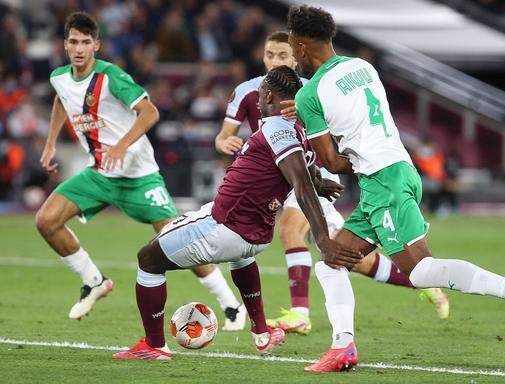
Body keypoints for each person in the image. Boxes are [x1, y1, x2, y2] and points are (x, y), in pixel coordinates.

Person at [287, 5, 505, 372]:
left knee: (422, 272)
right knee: (332, 262)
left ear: (301, 45)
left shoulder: (309, 95)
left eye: (289, 41)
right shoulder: (363, 67)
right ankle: (343, 347)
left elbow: (332, 163)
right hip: (395, 171)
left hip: (383, 180)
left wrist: (320, 142)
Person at [113, 65, 359, 360]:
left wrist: (323, 239)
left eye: (260, 91)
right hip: (254, 234)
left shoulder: (276, 129)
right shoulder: (297, 130)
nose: (256, 96)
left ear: (267, 94)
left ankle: (153, 346)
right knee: (240, 256)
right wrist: (320, 183)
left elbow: (301, 184)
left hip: (224, 226)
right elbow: (303, 172)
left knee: (148, 259)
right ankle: (262, 333)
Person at [215, 31, 449, 335]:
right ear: (262, 56)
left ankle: (300, 313)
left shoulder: (315, 91)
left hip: (314, 174)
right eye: (270, 54)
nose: (275, 61)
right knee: (349, 257)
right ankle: (422, 280)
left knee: (289, 230)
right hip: (279, 178)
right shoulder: (247, 91)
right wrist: (226, 141)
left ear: (296, 57)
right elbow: (223, 134)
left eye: (283, 55)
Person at [35, 12, 246, 331]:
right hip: (99, 174)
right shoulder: (59, 78)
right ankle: (94, 281)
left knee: (180, 242)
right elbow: (62, 101)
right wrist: (50, 143)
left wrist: (120, 145)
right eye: (74, 42)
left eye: (86, 42)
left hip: (138, 175)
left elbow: (150, 112)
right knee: (46, 221)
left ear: (97, 45)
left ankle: (230, 304)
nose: (79, 49)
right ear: (65, 45)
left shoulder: (111, 77)